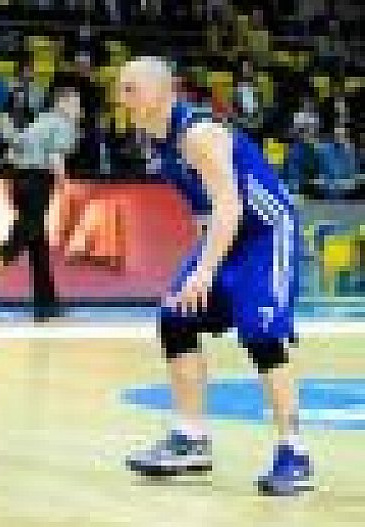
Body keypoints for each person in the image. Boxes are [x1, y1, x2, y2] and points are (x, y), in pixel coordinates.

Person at [115, 57, 311, 496]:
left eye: (130, 88)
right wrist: (205, 257)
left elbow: (229, 204)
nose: (121, 97)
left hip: (265, 233)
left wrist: (205, 268)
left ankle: (293, 452)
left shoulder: (199, 133)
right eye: (120, 88)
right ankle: (191, 438)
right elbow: (206, 207)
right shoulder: (150, 136)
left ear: (164, 91)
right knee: (176, 317)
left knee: (262, 334)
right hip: (226, 233)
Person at [0, 74, 81, 321]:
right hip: (37, 182)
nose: (79, 110)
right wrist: (65, 185)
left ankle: (46, 304)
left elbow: (13, 149)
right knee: (19, 241)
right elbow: (56, 157)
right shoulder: (62, 124)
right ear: (62, 103)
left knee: (37, 245)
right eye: (75, 104)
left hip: (20, 180)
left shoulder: (39, 121)